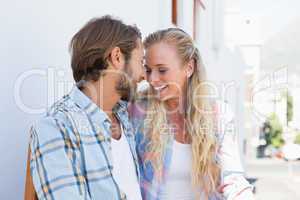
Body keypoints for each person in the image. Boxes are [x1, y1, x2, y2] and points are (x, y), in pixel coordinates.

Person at [28, 15, 145, 200]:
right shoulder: (58, 127)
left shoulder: (125, 116)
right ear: (116, 57)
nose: (144, 75)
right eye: (141, 62)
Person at [131, 28, 254, 200]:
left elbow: (232, 177)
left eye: (162, 70)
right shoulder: (138, 113)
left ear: (189, 67)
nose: (152, 79)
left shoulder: (219, 115)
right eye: (148, 70)